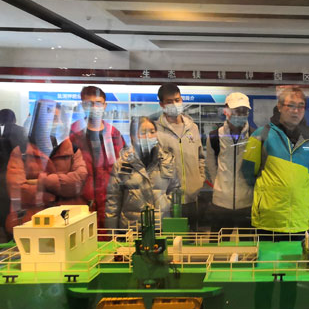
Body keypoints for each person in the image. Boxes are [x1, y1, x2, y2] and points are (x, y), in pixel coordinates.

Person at [242, 87, 309, 233]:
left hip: (299, 220)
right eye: (290, 105)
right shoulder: (262, 135)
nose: (295, 111)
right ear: (279, 107)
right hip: (268, 221)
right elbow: (248, 172)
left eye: (301, 106)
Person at [5, 100, 88, 233]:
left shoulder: (72, 150)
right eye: (47, 118)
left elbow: (78, 182)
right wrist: (56, 194)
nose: (53, 122)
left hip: (67, 224)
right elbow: (18, 190)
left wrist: (42, 182)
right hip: (32, 224)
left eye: (56, 119)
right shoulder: (21, 152)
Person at [105, 117, 179, 229]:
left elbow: (175, 191)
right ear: (132, 136)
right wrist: (112, 233)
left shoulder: (167, 160)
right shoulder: (122, 164)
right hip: (131, 229)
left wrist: (167, 208)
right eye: (143, 133)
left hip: (162, 227)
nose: (148, 136)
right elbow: (113, 202)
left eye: (152, 132)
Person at [69, 86, 126, 227]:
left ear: (105, 105)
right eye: (89, 103)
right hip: (81, 207)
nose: (94, 107)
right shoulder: (72, 136)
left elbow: (124, 172)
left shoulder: (114, 135)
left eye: (98, 103)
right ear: (83, 105)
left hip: (111, 206)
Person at [155, 83, 205, 230]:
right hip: (169, 200)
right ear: (162, 104)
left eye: (177, 100)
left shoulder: (192, 127)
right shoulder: (156, 131)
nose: (174, 104)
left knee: (193, 239)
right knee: (172, 239)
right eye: (169, 102)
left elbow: (200, 157)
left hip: (192, 198)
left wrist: (200, 180)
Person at [205, 92, 254, 232]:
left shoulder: (254, 136)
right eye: (236, 111)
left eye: (244, 111)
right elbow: (210, 166)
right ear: (226, 111)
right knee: (218, 243)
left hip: (247, 202)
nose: (240, 115)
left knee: (248, 243)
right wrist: (219, 185)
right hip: (221, 203)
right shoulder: (214, 137)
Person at [0, 109, 27, 241]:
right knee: (16, 208)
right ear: (14, 119)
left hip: (2, 175)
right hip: (17, 175)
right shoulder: (21, 131)